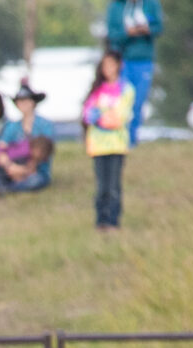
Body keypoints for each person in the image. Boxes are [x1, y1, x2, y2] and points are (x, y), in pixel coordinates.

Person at [84, 52, 135, 231]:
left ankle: (114, 220)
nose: (108, 69)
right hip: (98, 146)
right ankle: (101, 221)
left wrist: (100, 117)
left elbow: (119, 117)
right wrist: (100, 117)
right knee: (101, 187)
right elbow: (88, 114)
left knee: (114, 186)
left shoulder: (125, 89)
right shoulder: (96, 90)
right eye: (105, 65)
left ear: (119, 65)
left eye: (112, 64)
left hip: (117, 145)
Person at [104, 0, 162, 145]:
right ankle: (117, 137)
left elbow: (159, 28)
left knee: (138, 101)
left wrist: (147, 29)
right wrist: (127, 33)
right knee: (120, 100)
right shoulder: (116, 7)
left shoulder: (151, 4)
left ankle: (132, 139)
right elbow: (112, 34)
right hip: (122, 60)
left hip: (143, 60)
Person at [0, 86, 56, 191]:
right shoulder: (11, 126)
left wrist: (25, 170)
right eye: (19, 101)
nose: (22, 103)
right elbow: (1, 148)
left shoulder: (45, 125)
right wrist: (10, 166)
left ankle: (7, 189)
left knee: (35, 180)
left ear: (33, 102)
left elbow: (45, 151)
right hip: (13, 168)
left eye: (25, 100)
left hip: (37, 170)